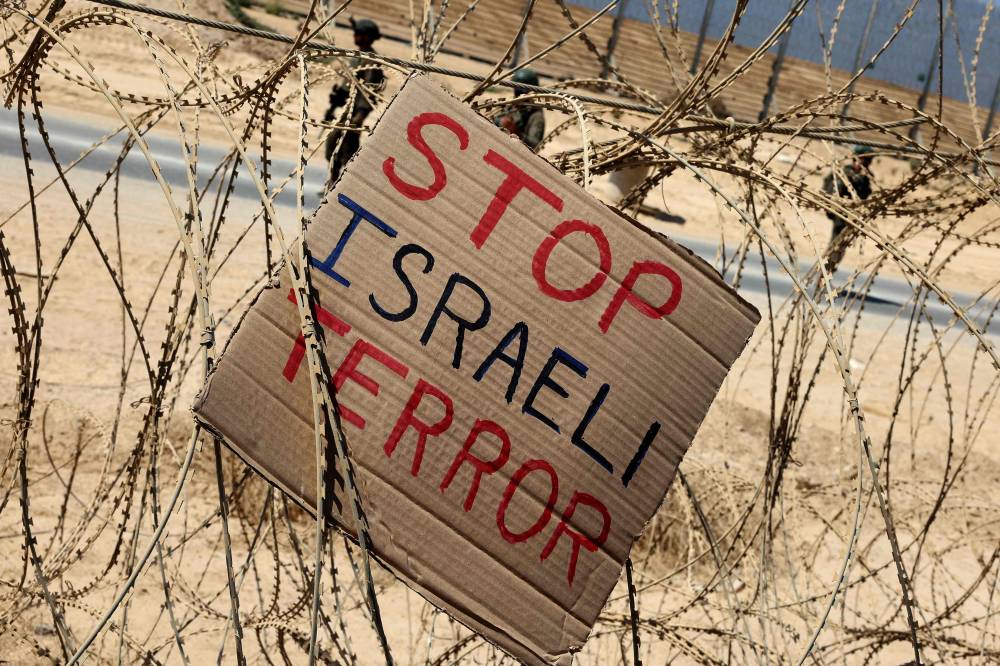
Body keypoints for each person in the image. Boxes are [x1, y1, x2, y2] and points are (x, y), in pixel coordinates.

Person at [323, 18, 385, 188]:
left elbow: (369, 92)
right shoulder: (357, 57)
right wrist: (335, 102)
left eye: (359, 33)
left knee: (347, 152)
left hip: (355, 113)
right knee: (333, 146)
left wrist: (359, 118)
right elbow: (347, 85)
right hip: (347, 109)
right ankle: (333, 182)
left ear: (367, 37)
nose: (355, 36)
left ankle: (345, 185)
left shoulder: (371, 61)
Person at [821, 145, 874, 270]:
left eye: (868, 161)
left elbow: (864, 196)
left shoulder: (864, 177)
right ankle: (824, 275)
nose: (867, 164)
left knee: (841, 247)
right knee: (835, 246)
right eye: (865, 160)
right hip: (841, 215)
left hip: (852, 217)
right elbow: (835, 193)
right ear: (857, 159)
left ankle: (827, 273)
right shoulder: (845, 173)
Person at [495, 68, 545, 151]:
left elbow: (534, 145)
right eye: (517, 91)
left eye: (521, 92)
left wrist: (516, 132)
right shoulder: (510, 106)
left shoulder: (536, 115)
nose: (519, 95)